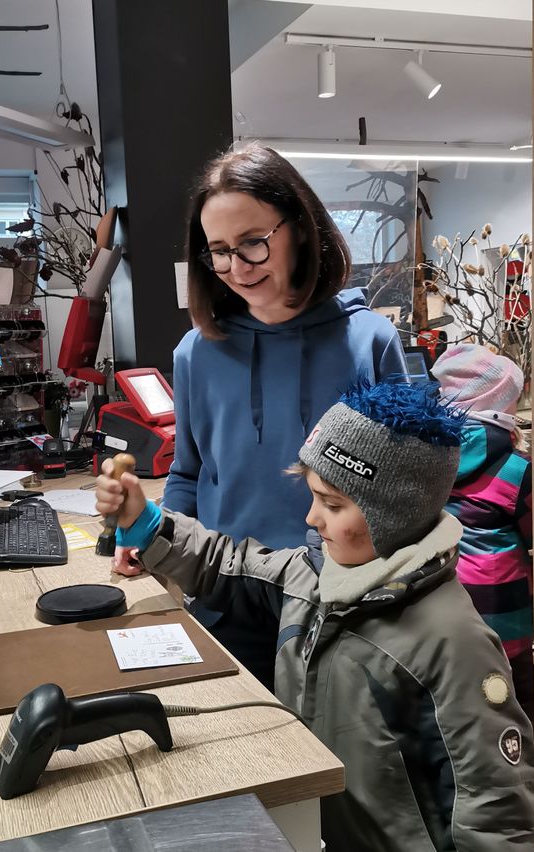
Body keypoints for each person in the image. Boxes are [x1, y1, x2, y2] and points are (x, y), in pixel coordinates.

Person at [98, 381, 534, 852]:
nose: (312, 519)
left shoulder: (453, 642)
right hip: (315, 831)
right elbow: (226, 565)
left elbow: (495, 805)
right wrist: (145, 521)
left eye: (332, 504)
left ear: (393, 514)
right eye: (313, 497)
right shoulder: (311, 576)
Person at [161, 144, 406, 686]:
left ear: (299, 227)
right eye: (218, 251)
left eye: (252, 243)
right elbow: (188, 473)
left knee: (344, 763)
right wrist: (154, 544)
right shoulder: (195, 353)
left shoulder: (370, 341)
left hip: (342, 597)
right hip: (225, 591)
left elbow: (406, 487)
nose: (235, 268)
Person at [432, 343, 534, 724]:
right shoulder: (516, 471)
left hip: (443, 614)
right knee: (519, 710)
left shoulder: (429, 456)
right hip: (502, 617)